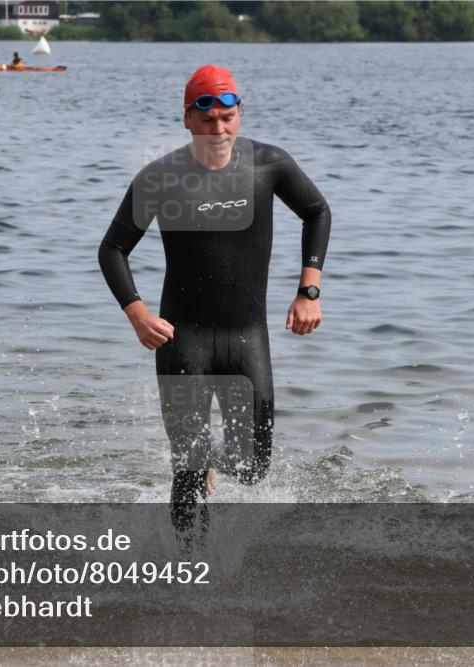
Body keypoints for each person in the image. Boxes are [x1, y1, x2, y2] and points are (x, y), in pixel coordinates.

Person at [98, 65, 331, 536]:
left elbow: (317, 211)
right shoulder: (160, 177)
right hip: (184, 339)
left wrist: (309, 290)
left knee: (255, 464)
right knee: (186, 470)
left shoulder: (268, 164)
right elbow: (112, 249)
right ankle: (189, 574)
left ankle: (212, 464)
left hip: (247, 337)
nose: (218, 130)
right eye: (207, 119)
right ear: (187, 119)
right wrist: (138, 315)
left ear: (240, 115)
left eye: (227, 117)